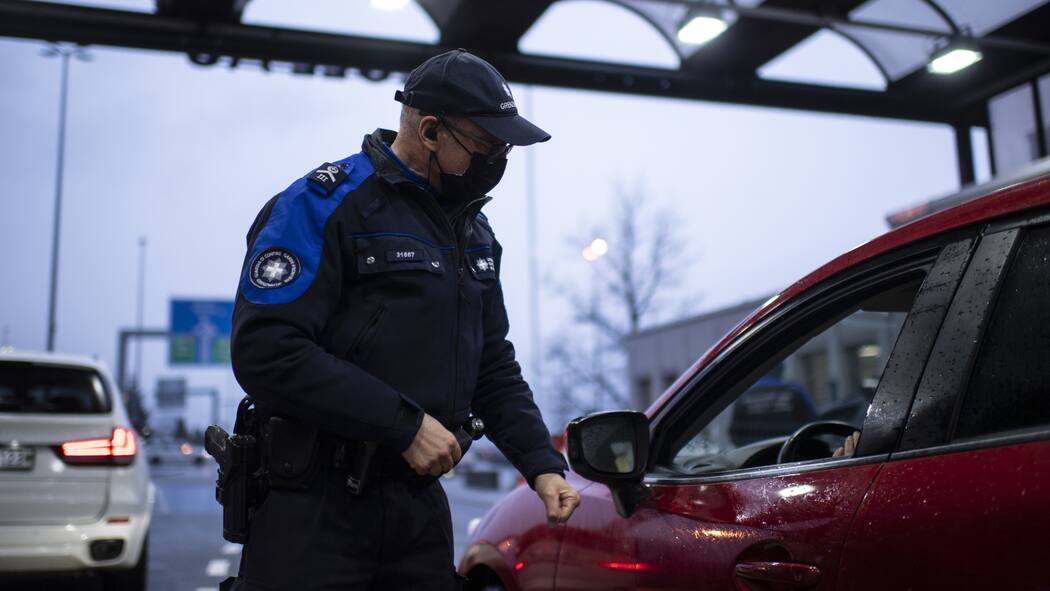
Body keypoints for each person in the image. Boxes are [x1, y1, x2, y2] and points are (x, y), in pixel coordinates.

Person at [227, 49, 580, 590]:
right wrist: (404, 425)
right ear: (432, 130)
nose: (498, 162)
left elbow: (491, 363)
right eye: (486, 146)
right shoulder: (323, 204)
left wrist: (541, 464)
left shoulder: (473, 233)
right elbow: (268, 348)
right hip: (315, 510)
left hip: (417, 507)